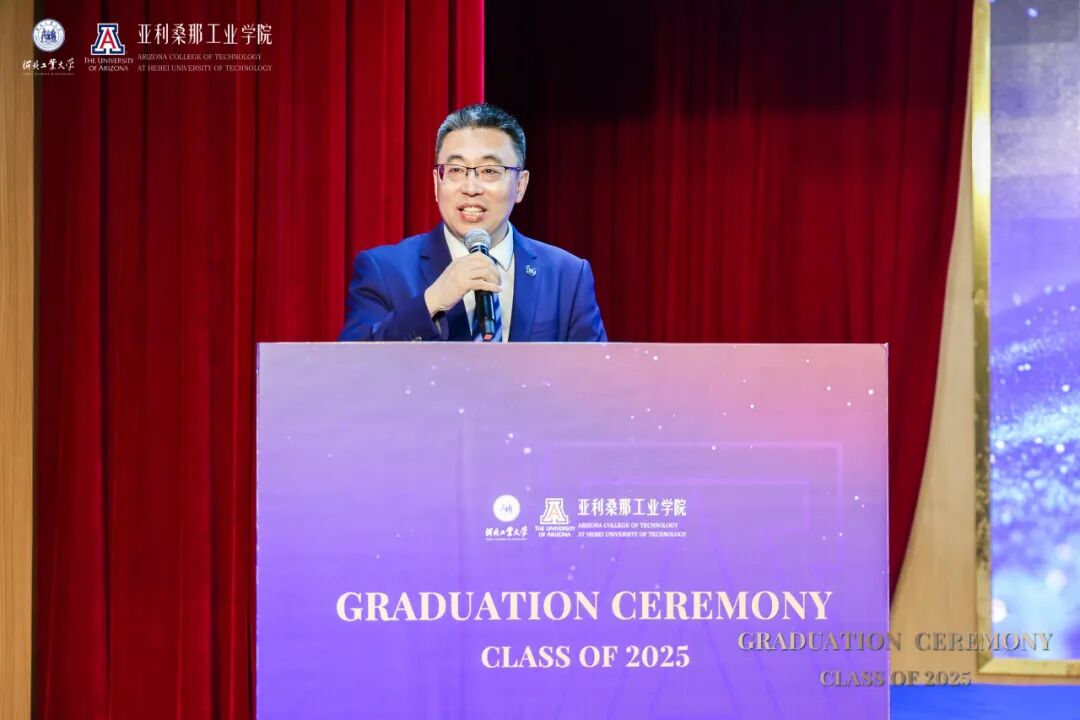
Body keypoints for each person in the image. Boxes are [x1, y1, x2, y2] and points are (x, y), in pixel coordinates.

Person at [338, 104, 607, 342]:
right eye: (456, 170)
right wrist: (431, 302)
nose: (471, 188)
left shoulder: (568, 276)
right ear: (436, 183)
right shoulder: (384, 271)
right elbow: (353, 367)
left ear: (520, 185)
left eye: (489, 171)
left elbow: (593, 375)